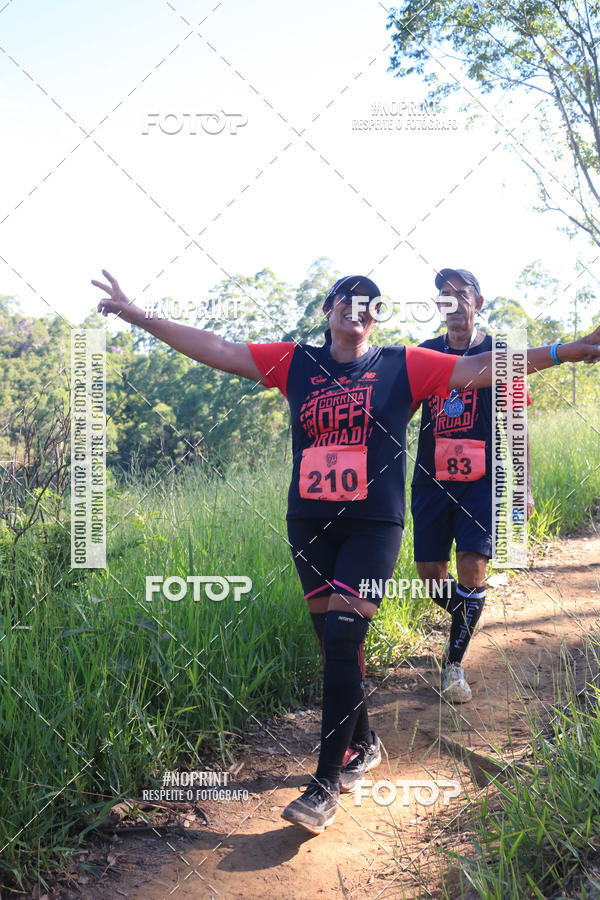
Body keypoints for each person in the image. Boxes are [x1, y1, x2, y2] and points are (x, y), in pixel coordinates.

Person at [92, 268, 600, 835]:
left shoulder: (402, 365)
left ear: (377, 317)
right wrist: (139, 315)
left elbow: (484, 369)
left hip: (373, 526)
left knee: (343, 635)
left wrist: (569, 350)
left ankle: (324, 785)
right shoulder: (295, 363)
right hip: (309, 523)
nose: (357, 313)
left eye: (370, 306)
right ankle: (365, 742)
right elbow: (218, 348)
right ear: (329, 309)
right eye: (347, 303)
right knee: (335, 648)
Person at [410, 268, 532, 703]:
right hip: (430, 479)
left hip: (480, 480)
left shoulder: (502, 354)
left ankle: (453, 664)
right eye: (444, 295)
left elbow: (517, 423)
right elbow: (395, 412)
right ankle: (470, 606)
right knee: (429, 577)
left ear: (478, 303)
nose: (453, 301)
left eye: (462, 293)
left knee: (473, 570)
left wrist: (524, 487)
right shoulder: (423, 354)